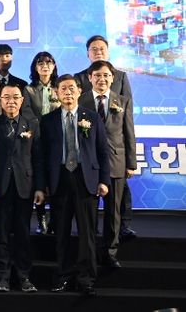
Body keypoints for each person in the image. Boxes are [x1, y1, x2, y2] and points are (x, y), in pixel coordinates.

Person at [41, 74, 109, 296]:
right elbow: (42, 156)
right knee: (61, 232)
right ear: (56, 93)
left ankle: (86, 278)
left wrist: (104, 180)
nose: (68, 92)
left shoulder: (92, 117)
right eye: (63, 88)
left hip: (85, 179)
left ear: (80, 91)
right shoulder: (48, 120)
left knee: (87, 233)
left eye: (72, 88)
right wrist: (43, 185)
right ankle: (63, 276)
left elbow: (102, 151)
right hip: (59, 179)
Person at [74, 35, 136, 239]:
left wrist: (131, 162)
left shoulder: (121, 79)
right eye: (94, 49)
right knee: (88, 206)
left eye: (102, 48)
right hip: (89, 156)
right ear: (87, 54)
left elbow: (128, 125)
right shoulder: (79, 80)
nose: (98, 51)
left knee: (117, 201)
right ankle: (90, 244)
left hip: (114, 155)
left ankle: (120, 231)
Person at [0, 85, 42, 293]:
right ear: (0, 100)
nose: (11, 101)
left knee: (23, 234)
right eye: (6, 97)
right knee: (0, 234)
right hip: (0, 187)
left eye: (15, 97)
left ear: (22, 100)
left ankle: (24, 277)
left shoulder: (32, 124)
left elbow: (38, 158)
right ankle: (2, 278)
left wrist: (40, 188)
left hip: (24, 186)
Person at [22, 51, 60, 235]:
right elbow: (27, 112)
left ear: (54, 66)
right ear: (35, 67)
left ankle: (55, 220)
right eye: (40, 63)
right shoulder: (29, 90)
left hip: (57, 139)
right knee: (39, 178)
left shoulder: (59, 88)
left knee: (56, 178)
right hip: (36, 140)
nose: (45, 66)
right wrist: (41, 126)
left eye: (49, 62)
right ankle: (41, 218)